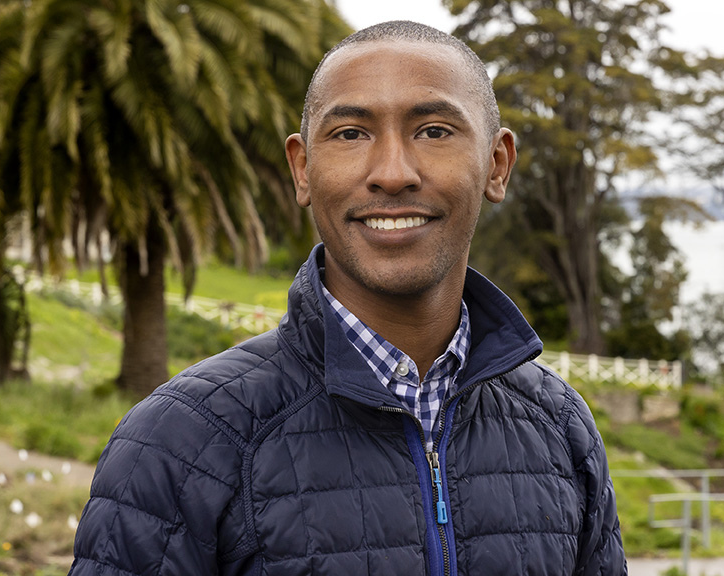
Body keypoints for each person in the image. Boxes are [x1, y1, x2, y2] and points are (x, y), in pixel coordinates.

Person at [70, 20, 626, 576]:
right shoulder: (180, 441)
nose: (391, 174)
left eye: (433, 131)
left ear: (497, 164)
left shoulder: (560, 428)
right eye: (351, 133)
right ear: (303, 168)